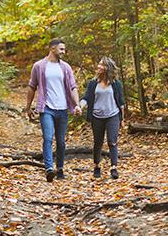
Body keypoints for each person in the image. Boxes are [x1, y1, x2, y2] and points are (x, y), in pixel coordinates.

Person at [26, 38, 81, 181]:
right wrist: (28, 107)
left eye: (64, 49)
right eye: (61, 49)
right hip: (46, 108)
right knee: (48, 138)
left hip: (62, 109)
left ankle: (60, 168)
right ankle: (49, 168)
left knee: (61, 141)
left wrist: (77, 104)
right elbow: (32, 87)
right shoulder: (39, 66)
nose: (64, 52)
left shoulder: (66, 67)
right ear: (52, 48)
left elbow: (73, 87)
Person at [79, 57, 126, 179]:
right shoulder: (93, 83)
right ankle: (97, 166)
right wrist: (80, 106)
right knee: (98, 142)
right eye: (99, 64)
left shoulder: (116, 84)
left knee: (112, 141)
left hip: (113, 115)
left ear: (108, 68)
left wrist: (122, 119)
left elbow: (121, 102)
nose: (99, 66)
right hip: (97, 116)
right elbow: (86, 98)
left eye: (102, 65)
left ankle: (114, 167)